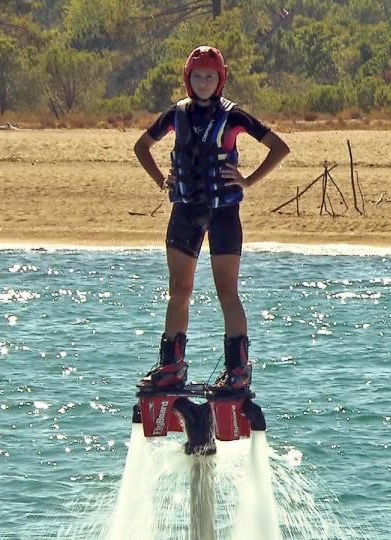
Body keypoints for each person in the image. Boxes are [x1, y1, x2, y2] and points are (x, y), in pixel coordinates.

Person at [134, 45, 290, 393]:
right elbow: (141, 146)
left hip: (224, 214)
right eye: (197, 77)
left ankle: (237, 371)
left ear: (220, 80)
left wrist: (248, 180)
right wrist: (162, 180)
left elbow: (279, 147)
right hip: (185, 212)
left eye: (210, 77)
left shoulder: (235, 116)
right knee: (179, 289)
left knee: (226, 291)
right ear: (188, 79)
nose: (203, 82)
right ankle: (171, 366)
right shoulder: (175, 114)